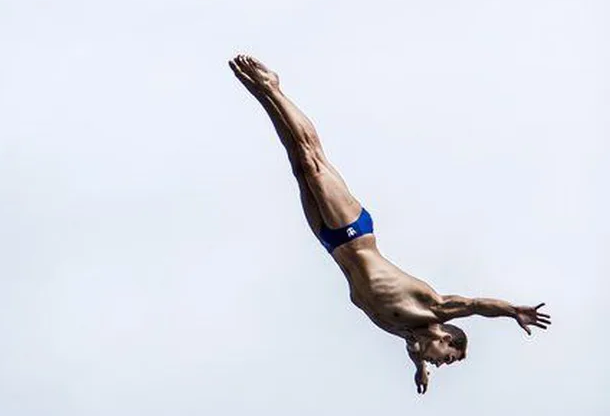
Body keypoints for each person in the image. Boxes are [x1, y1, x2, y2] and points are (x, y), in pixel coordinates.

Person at [229, 54, 550, 394]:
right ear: (446, 336)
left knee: (297, 165)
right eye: (448, 358)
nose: (442, 364)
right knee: (313, 161)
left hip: (330, 241)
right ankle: (274, 89)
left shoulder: (408, 335)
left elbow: (416, 351)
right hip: (354, 232)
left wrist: (420, 369)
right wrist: (513, 310)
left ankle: (263, 96)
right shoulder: (433, 308)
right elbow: (474, 305)